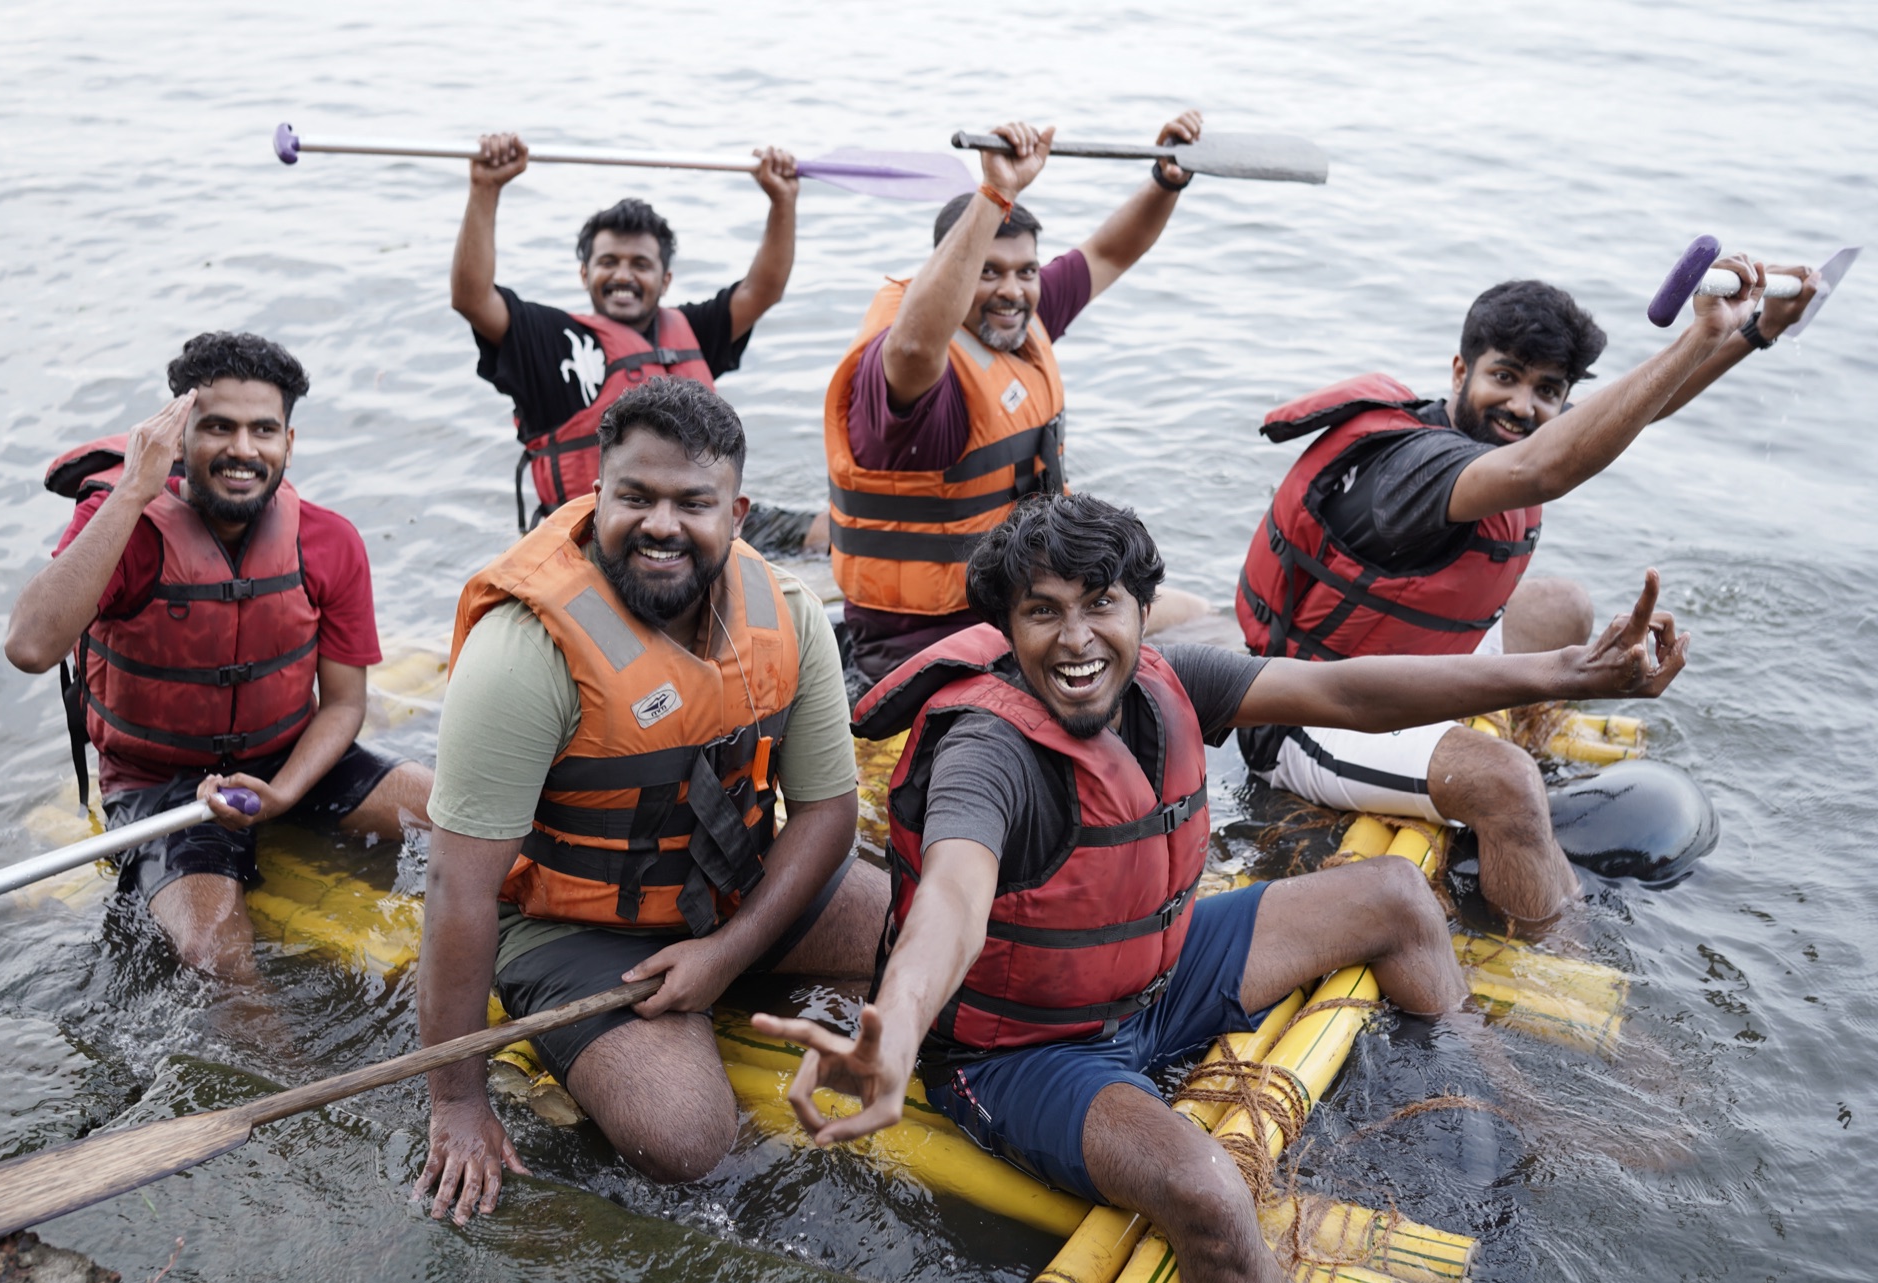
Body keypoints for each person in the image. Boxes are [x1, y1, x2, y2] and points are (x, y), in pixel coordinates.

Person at [755, 492, 1688, 1283]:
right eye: (1043, 611)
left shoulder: (1163, 680)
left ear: (1138, 609)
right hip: (1023, 1051)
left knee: (1398, 898)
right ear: (1006, 626)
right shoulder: (987, 756)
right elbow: (952, 898)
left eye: (1100, 604)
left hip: (1154, 981)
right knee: (1205, 1185)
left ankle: (1509, 1104)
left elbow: (1349, 691)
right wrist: (902, 1023)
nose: (1076, 639)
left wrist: (1563, 670)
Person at [413, 377, 885, 1225]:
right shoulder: (524, 651)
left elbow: (826, 813)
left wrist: (727, 955)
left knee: (924, 928)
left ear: (736, 513)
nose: (661, 524)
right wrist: (455, 1101)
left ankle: (737, 989)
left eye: (692, 502)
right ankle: (589, 1050)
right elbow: (459, 885)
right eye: (635, 496)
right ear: (597, 496)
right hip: (577, 925)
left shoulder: (791, 612)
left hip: (730, 893)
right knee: (686, 1143)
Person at [1232, 255, 1821, 921]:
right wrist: (1700, 334)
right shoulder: (1414, 467)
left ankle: (1509, 815)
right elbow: (1546, 469)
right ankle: (1541, 941)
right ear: (1460, 371)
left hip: (1402, 672)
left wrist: (1755, 332)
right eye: (1504, 378)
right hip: (1314, 713)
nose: (1521, 405)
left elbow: (1627, 414)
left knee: (1561, 605)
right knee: (1507, 783)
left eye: (1547, 391)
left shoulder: (1500, 435)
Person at [4, 332, 433, 980]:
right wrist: (130, 492)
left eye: (264, 428)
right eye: (218, 427)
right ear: (179, 437)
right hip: (159, 785)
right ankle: (294, 1078)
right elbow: (30, 645)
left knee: (467, 815)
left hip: (290, 757)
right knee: (216, 959)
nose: (242, 448)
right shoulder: (129, 529)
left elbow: (345, 702)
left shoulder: (329, 540)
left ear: (289, 443)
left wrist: (281, 794)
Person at [823, 115, 1216, 687]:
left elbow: (1110, 251)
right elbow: (912, 343)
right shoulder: (908, 376)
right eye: (987, 272)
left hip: (1020, 603)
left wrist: (1165, 180)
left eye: (1026, 271)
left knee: (1189, 615)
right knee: (1190, 629)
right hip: (928, 643)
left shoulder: (1014, 319)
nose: (1012, 290)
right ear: (950, 275)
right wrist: (997, 191)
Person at [454, 131, 819, 548]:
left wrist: (782, 201)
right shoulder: (551, 342)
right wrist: (486, 188)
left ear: (665, 280)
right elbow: (473, 298)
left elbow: (763, 290)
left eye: (640, 264)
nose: (623, 275)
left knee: (836, 532)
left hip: (695, 528)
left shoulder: (692, 331)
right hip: (601, 541)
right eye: (608, 262)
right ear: (584, 275)